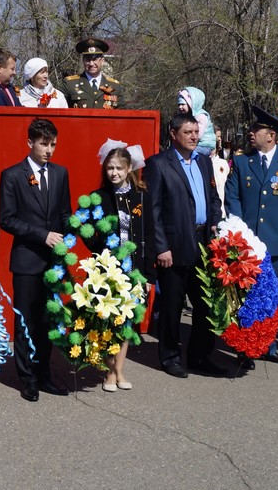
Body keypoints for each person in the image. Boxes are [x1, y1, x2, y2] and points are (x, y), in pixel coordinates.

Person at [225, 106, 278, 367]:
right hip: (247, 244)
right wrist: (240, 234)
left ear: (270, 135)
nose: (250, 133)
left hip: (277, 242)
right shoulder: (240, 161)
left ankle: (268, 346)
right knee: (244, 296)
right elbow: (232, 198)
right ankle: (245, 349)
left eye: (255, 130)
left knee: (271, 296)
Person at [145, 112, 224, 378]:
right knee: (172, 306)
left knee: (205, 305)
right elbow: (152, 210)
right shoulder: (158, 164)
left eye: (195, 132)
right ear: (173, 134)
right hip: (174, 245)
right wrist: (161, 247)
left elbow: (213, 197)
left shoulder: (203, 162)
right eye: (188, 132)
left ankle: (200, 356)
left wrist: (215, 222)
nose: (194, 137)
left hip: (204, 243)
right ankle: (169, 357)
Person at [0, 118, 71, 401]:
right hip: (27, 260)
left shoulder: (60, 173)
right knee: (26, 321)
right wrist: (43, 236)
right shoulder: (13, 175)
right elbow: (7, 219)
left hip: (53, 261)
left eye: (53, 144)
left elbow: (64, 213)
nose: (49, 150)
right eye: (43, 143)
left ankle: (45, 375)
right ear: (30, 143)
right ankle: (27, 377)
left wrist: (72, 232)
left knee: (48, 320)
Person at [83, 140, 154, 392]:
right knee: (107, 320)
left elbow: (149, 235)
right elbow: (87, 230)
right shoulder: (99, 198)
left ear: (129, 170)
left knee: (125, 322)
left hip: (133, 270)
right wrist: (98, 244)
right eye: (110, 168)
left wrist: (147, 275)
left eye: (119, 168)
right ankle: (108, 371)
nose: (114, 173)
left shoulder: (140, 196)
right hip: (107, 268)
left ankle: (120, 371)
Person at [57, 37, 124, 109]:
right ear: (83, 61)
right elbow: (58, 107)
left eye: (95, 59)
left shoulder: (115, 86)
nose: (91, 63)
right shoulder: (69, 84)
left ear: (102, 61)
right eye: (88, 60)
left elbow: (122, 112)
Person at [177, 87, 216, 156]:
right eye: (179, 105)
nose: (180, 107)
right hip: (196, 144)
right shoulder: (189, 116)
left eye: (183, 104)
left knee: (184, 152)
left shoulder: (201, 116)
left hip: (204, 145)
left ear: (191, 104)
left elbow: (198, 135)